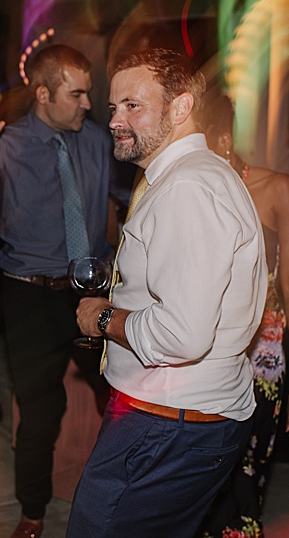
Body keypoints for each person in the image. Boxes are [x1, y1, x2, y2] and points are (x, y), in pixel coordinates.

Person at [66, 49, 266, 538]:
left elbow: (182, 334)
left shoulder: (189, 188)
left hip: (169, 424)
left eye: (133, 105)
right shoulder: (187, 177)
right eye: (112, 108)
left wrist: (103, 318)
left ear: (181, 108)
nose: (115, 120)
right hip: (175, 418)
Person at [0, 44, 119, 538]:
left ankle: (118, 504)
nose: (86, 103)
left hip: (93, 292)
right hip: (30, 297)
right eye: (77, 94)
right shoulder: (6, 146)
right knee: (40, 411)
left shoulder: (99, 142)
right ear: (43, 93)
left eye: (88, 94)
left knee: (122, 400)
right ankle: (33, 513)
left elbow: (134, 199)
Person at [197, 94, 289, 535]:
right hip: (200, 358)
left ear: (224, 140)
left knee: (244, 478)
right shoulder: (191, 195)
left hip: (259, 363)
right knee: (200, 482)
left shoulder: (277, 190)